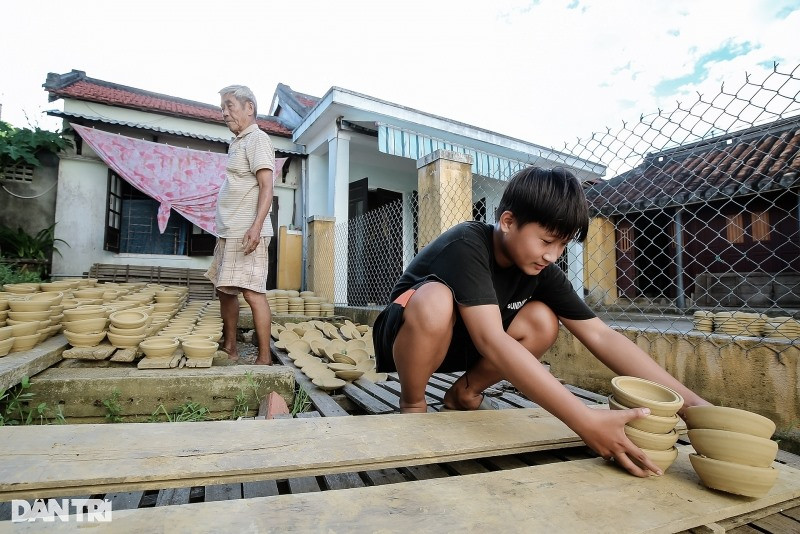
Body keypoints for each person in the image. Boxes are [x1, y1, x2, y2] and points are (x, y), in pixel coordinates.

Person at [373, 166, 711, 477]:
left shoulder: (541, 269)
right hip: (410, 337)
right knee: (435, 298)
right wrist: (584, 420)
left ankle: (464, 393)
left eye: (562, 244)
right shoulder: (467, 244)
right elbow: (492, 339)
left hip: (467, 343)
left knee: (543, 320)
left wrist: (690, 405)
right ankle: (413, 403)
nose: (553, 255)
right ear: (507, 221)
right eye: (547, 241)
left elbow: (599, 335)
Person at [205, 85, 275, 365]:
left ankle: (265, 357)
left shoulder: (257, 139)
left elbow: (267, 186)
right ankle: (231, 347)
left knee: (252, 292)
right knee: (225, 291)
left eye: (229, 105)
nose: (224, 112)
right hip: (229, 231)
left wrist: (256, 226)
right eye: (222, 107)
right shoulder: (238, 141)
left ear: (250, 108)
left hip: (247, 231)